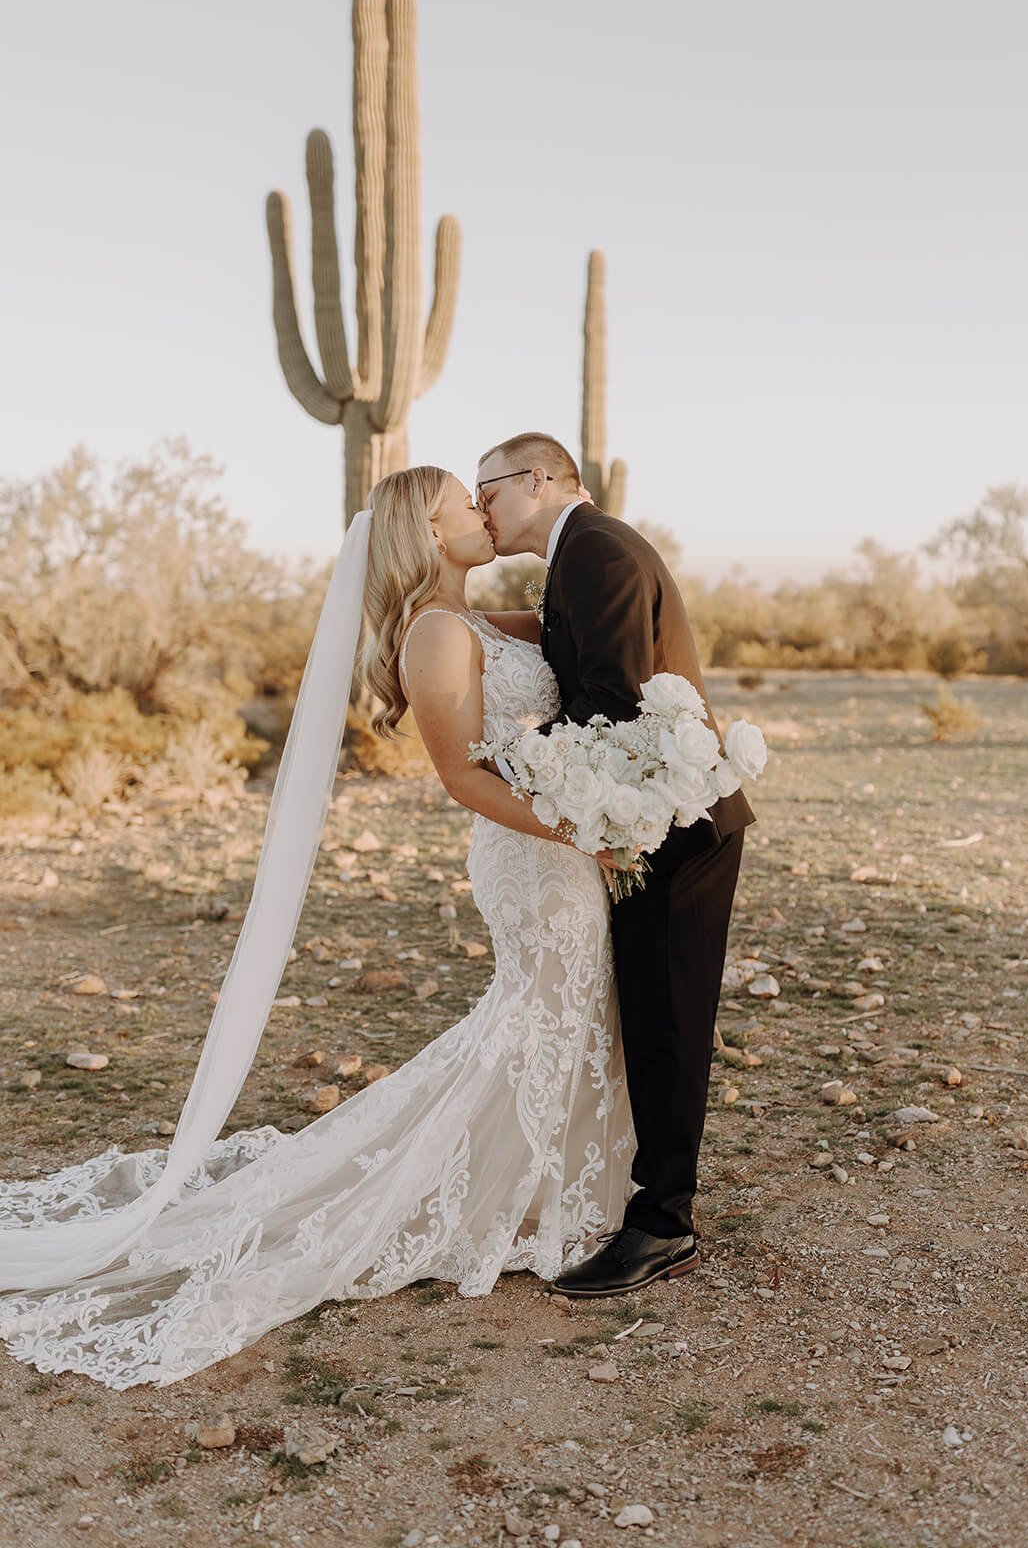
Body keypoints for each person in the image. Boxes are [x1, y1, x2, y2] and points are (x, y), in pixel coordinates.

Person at [0, 465, 636, 1389]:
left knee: (557, 1016)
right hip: (532, 856)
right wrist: (586, 828)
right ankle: (514, 1195)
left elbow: (572, 636)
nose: (481, 510)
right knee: (540, 1016)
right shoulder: (430, 636)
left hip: (556, 846)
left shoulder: (468, 622)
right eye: (463, 499)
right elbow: (462, 777)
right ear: (425, 530)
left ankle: (552, 1184)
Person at [475, 433, 755, 1298]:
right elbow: (583, 666)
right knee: (645, 1012)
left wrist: (509, 765)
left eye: (487, 490)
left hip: (673, 824)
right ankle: (642, 1198)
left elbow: (616, 699)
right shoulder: (577, 558)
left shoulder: (595, 549)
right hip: (645, 817)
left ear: (539, 479)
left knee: (667, 1020)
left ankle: (663, 1226)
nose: (481, 509)